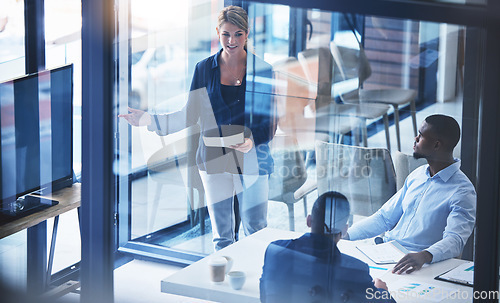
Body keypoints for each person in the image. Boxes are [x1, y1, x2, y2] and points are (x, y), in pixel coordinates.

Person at [119, 6, 277, 250]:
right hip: (214, 158)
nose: (232, 41)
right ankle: (222, 284)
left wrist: (252, 141)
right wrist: (150, 120)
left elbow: (271, 120)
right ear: (218, 33)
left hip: (253, 158)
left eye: (238, 34)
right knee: (222, 236)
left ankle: (259, 283)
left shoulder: (263, 70)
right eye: (226, 34)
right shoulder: (204, 69)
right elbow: (190, 114)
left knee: (256, 229)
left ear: (247, 34)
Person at [345, 114, 476, 274]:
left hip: (419, 266)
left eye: (420, 135)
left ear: (436, 145)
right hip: (385, 254)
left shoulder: (463, 191)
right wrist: (346, 235)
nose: (415, 138)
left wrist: (425, 256)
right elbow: (384, 218)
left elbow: (455, 240)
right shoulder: (417, 174)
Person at [259, 192, 395, 303]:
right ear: (344, 230)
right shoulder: (355, 270)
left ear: (308, 221)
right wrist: (382, 291)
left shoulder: (275, 251)